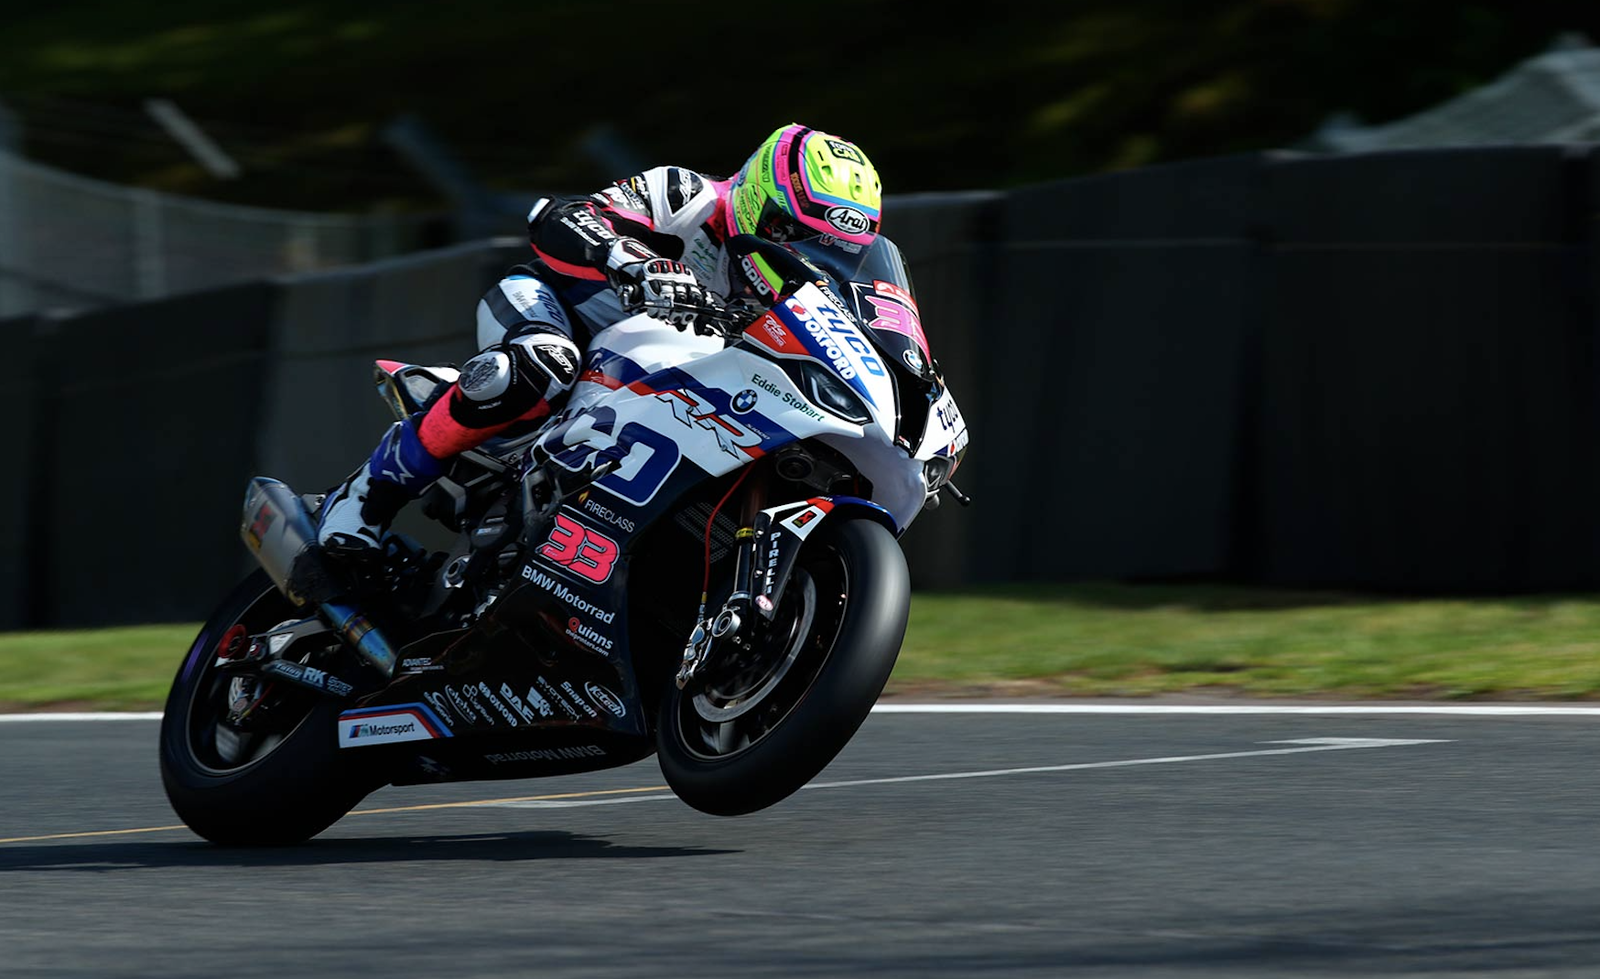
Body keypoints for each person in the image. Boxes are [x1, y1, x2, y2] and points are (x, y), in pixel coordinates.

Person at [315, 123, 884, 557]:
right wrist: (631, 261)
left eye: (832, 251)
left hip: (666, 375)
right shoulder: (685, 194)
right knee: (543, 363)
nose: (804, 256)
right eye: (792, 233)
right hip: (560, 309)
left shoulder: (804, 291)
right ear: (759, 196)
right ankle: (366, 497)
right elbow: (559, 218)